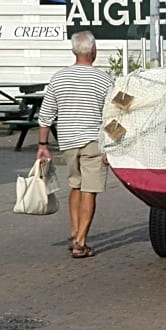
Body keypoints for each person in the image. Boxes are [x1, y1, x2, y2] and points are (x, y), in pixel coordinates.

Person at [36, 31, 114, 259]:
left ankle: (74, 230)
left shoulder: (59, 78)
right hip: (93, 141)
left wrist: (42, 144)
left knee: (75, 185)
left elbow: (46, 114)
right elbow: (112, 116)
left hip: (68, 141)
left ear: (74, 51)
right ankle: (80, 241)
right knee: (90, 189)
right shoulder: (104, 80)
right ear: (94, 51)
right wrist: (112, 146)